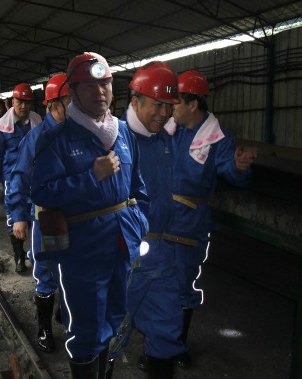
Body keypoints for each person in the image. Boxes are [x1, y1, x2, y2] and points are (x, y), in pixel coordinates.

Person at [30, 52, 149, 379]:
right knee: (85, 326)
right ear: (72, 92)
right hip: (81, 249)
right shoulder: (57, 137)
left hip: (122, 243)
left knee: (113, 315)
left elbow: (139, 188)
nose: (100, 91)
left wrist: (140, 226)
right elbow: (41, 192)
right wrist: (90, 176)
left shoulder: (124, 134)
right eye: (89, 86)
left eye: (105, 84)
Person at [166, 69, 255, 368]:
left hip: (190, 221)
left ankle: (176, 345)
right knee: (155, 280)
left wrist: (239, 168)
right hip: (160, 217)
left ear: (193, 104)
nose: (171, 106)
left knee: (182, 283)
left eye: (176, 101)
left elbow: (230, 172)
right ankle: (157, 343)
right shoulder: (170, 129)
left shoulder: (217, 137)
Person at [122, 61, 185, 379]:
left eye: (170, 106)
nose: (164, 113)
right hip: (122, 254)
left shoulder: (164, 142)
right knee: (108, 333)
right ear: (136, 101)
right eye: (158, 104)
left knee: (165, 332)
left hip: (160, 253)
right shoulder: (111, 140)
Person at [7, 73, 70, 353]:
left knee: (72, 269)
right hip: (51, 216)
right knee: (48, 271)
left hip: (79, 215)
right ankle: (44, 329)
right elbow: (20, 176)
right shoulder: (37, 138)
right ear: (53, 105)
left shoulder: (79, 133)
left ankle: (65, 314)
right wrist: (18, 215)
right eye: (71, 102)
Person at [0, 83, 42, 273]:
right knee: (15, 220)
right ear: (12, 102)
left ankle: (34, 254)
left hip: (35, 181)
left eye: (27, 102)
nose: (23, 106)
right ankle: (19, 257)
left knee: (36, 218)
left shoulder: (38, 122)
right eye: (19, 102)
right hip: (12, 182)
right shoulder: (2, 127)